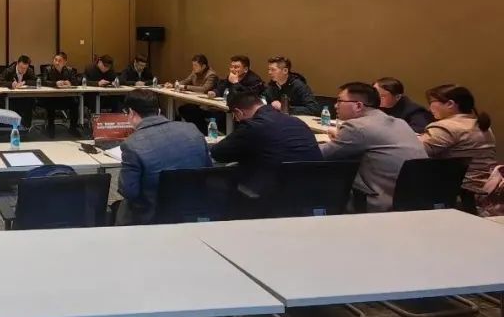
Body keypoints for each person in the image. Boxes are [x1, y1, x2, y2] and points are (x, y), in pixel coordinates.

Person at [321, 82, 427, 212]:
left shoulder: (357, 127)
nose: (335, 105)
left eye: (339, 101)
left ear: (358, 105)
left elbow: (321, 154)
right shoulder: (400, 123)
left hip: (378, 202)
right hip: (416, 200)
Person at [211, 87, 322, 203]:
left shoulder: (252, 126)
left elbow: (218, 153)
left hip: (277, 196)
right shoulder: (297, 121)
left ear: (239, 112)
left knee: (220, 175)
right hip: (315, 190)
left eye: (236, 116)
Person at [117, 89, 211, 225]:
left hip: (151, 217)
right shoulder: (192, 130)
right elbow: (208, 170)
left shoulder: (131, 145)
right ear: (159, 111)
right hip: (195, 211)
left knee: (122, 207)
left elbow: (128, 191)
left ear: (131, 113)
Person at [421, 84, 497, 206]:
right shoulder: (481, 125)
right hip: (484, 191)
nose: (429, 108)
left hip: (458, 195)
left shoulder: (445, 127)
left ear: (450, 104)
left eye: (431, 102)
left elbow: (414, 151)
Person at [165, 54, 218, 134]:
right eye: (193, 65)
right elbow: (185, 81)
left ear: (203, 66)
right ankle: (196, 131)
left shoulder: (211, 75)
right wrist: (173, 85)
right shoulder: (194, 73)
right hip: (198, 103)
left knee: (190, 111)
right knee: (183, 109)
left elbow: (204, 89)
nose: (193, 67)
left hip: (208, 106)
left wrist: (186, 87)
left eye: (196, 65)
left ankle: (203, 132)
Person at [41, 51, 81, 138]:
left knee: (75, 103)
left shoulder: (70, 70)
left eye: (60, 61)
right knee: (50, 103)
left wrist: (70, 83)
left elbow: (77, 82)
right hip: (52, 97)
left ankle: (73, 128)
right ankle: (50, 127)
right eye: (55, 60)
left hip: (66, 98)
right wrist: (55, 83)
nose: (57, 62)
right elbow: (43, 82)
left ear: (65, 62)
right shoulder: (47, 69)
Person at [0, 55, 37, 130]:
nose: (23, 70)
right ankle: (12, 128)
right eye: (21, 67)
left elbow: (36, 81)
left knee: (30, 101)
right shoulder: (9, 70)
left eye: (25, 68)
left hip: (24, 97)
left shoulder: (29, 71)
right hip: (11, 98)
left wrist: (25, 82)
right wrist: (11, 84)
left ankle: (26, 128)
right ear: (17, 64)